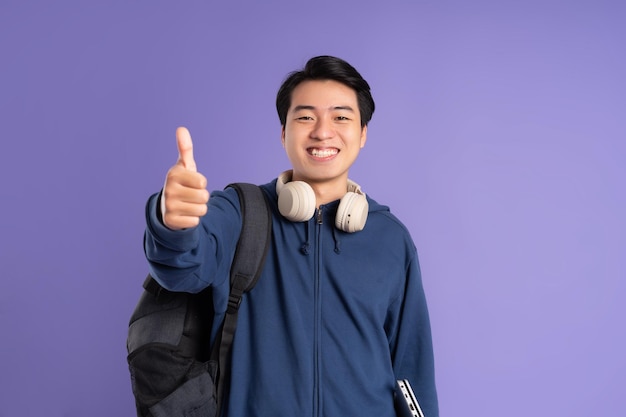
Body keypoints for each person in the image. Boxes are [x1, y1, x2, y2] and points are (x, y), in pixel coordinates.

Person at [143, 55, 439, 417]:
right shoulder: (239, 213)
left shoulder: (391, 239)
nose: (322, 131)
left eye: (341, 117)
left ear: (362, 134)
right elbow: (181, 268)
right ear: (284, 131)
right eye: (305, 116)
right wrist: (174, 221)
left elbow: (412, 372)